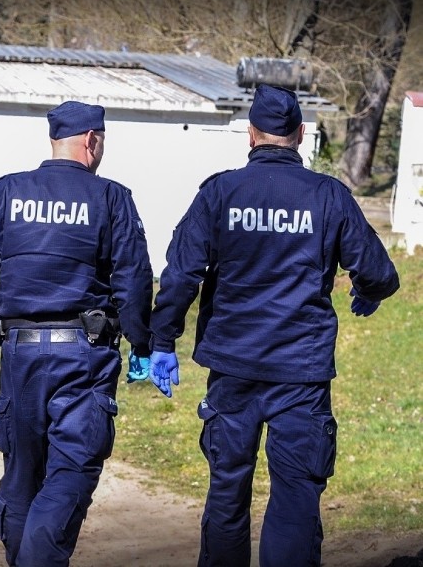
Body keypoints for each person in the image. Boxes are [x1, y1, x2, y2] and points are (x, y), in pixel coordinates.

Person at [148, 85, 400, 567]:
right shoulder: (328, 196)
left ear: (251, 135)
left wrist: (164, 340)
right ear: (300, 135)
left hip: (233, 369)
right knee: (295, 498)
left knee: (227, 491)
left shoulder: (220, 192)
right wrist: (367, 291)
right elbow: (379, 272)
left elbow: (182, 273)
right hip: (299, 376)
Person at [0, 101, 155, 567]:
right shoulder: (111, 198)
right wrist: (145, 343)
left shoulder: (8, 192)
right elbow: (133, 279)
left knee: (21, 477)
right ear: (91, 141)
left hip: (20, 359)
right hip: (84, 359)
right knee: (71, 472)